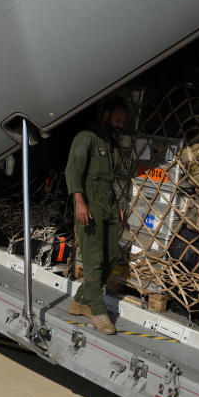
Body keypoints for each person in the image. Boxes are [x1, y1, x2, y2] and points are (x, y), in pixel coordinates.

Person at [64, 98, 128, 334]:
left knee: (110, 255)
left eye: (123, 121)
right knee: (93, 260)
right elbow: (72, 171)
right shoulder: (86, 137)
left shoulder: (109, 143)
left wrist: (115, 205)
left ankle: (80, 302)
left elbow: (108, 179)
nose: (121, 125)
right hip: (89, 204)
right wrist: (79, 202)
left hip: (108, 205)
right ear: (106, 115)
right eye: (118, 120)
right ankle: (98, 312)